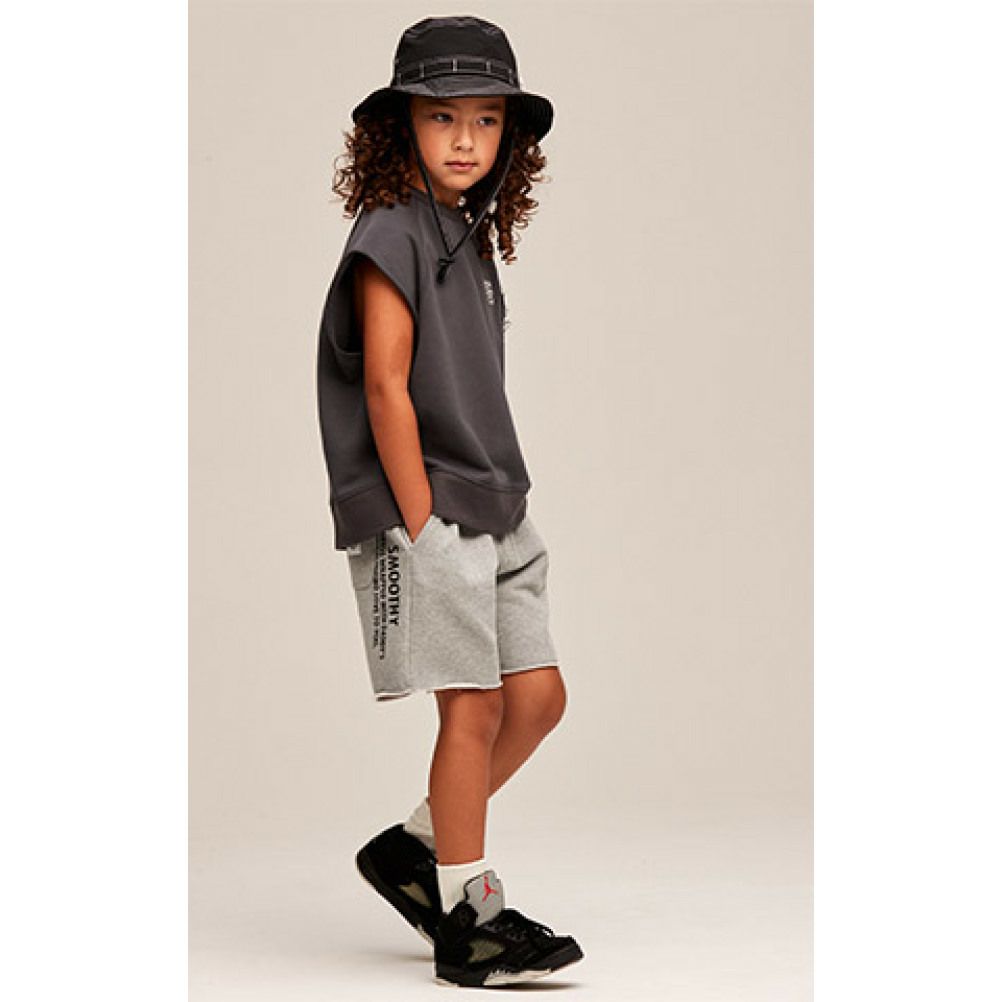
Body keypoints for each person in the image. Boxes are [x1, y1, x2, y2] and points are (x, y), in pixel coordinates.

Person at [316, 15, 583, 987]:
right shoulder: (391, 231)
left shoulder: (466, 232)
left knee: (538, 699)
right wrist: (421, 523)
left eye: (486, 119)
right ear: (403, 128)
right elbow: (387, 388)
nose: (466, 139)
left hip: (494, 499)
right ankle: (471, 919)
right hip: (429, 508)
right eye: (442, 117)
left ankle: (416, 849)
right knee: (471, 708)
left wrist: (486, 502)